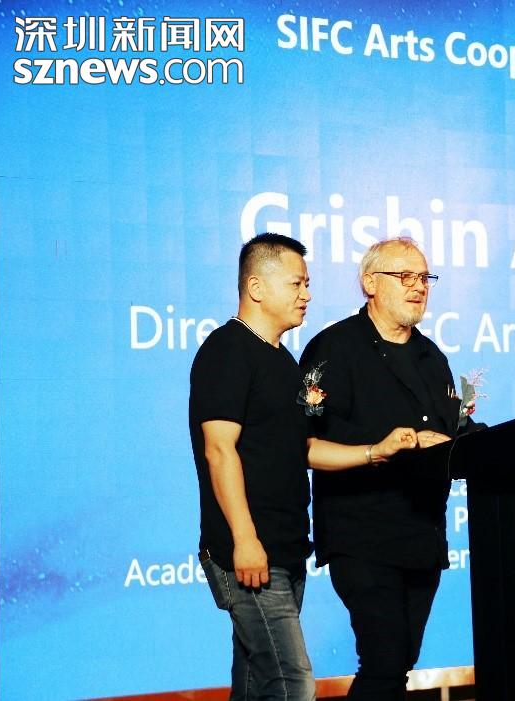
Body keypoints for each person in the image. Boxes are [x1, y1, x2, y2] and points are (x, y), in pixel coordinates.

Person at [189, 232, 418, 700]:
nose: (307, 295)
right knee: (293, 685)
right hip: (249, 552)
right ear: (256, 287)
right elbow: (219, 449)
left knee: (255, 687)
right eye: (297, 284)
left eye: (307, 284)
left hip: (287, 549)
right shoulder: (227, 349)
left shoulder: (283, 360)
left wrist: (376, 451)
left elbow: (304, 448)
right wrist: (245, 539)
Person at [300, 237, 475, 700]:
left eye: (424, 277)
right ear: (369, 283)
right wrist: (387, 446)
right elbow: (304, 441)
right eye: (405, 276)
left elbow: (457, 431)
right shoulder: (333, 348)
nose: (418, 286)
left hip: (422, 535)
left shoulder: (432, 357)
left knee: (399, 663)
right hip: (362, 535)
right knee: (384, 661)